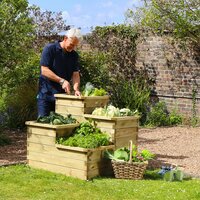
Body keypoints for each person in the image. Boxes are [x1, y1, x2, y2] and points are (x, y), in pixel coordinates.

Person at [37, 28, 83, 117]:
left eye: (75, 46)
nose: (72, 48)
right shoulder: (50, 49)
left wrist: (76, 89)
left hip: (62, 97)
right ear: (65, 38)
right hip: (46, 96)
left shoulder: (74, 55)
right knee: (43, 125)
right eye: (71, 44)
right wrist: (62, 81)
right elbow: (44, 70)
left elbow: (75, 74)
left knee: (60, 125)